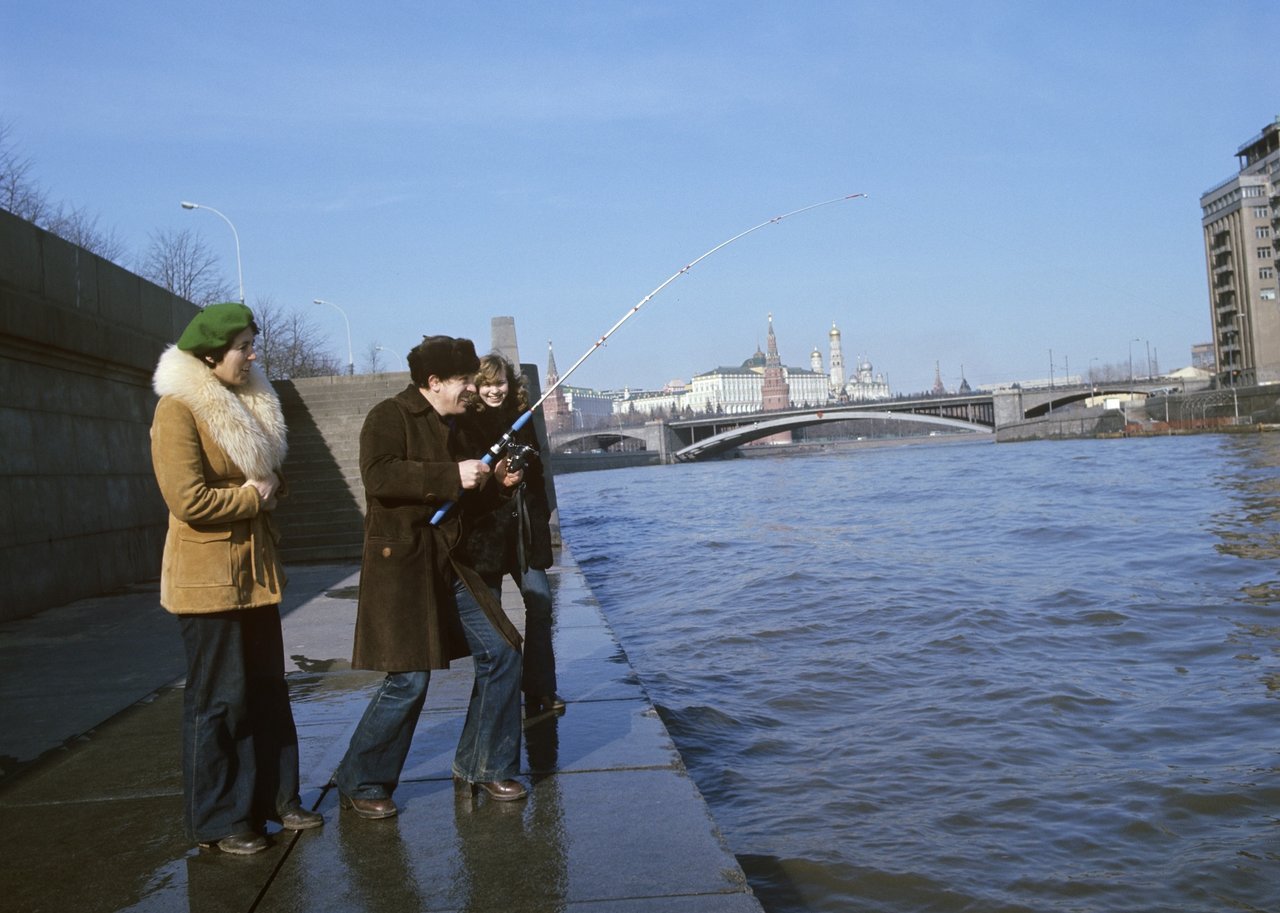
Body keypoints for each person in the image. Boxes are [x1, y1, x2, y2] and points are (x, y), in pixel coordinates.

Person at [150, 302, 323, 856]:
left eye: (253, 345)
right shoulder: (177, 411)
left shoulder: (250, 402)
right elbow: (187, 499)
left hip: (256, 576)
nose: (252, 355)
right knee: (219, 700)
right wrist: (253, 495)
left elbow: (271, 479)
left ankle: (276, 799)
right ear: (210, 354)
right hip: (206, 583)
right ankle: (218, 821)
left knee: (269, 689)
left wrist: (272, 488)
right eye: (243, 346)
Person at [334, 335, 528, 818]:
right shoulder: (388, 416)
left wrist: (497, 486)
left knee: (502, 652)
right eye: (463, 380)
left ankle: (483, 766)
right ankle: (361, 780)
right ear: (434, 382)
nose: (471, 389)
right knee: (409, 681)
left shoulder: (458, 425)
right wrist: (449, 476)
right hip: (402, 564)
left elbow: (464, 495)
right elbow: (378, 477)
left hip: (450, 560)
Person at [464, 354, 565, 718]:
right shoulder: (465, 421)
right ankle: (495, 698)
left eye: (500, 382)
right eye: (487, 383)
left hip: (524, 529)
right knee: (491, 621)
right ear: (476, 386)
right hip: (486, 535)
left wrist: (539, 519)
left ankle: (540, 687)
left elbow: (538, 475)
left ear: (511, 384)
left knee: (540, 604)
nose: (494, 390)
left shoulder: (524, 417)